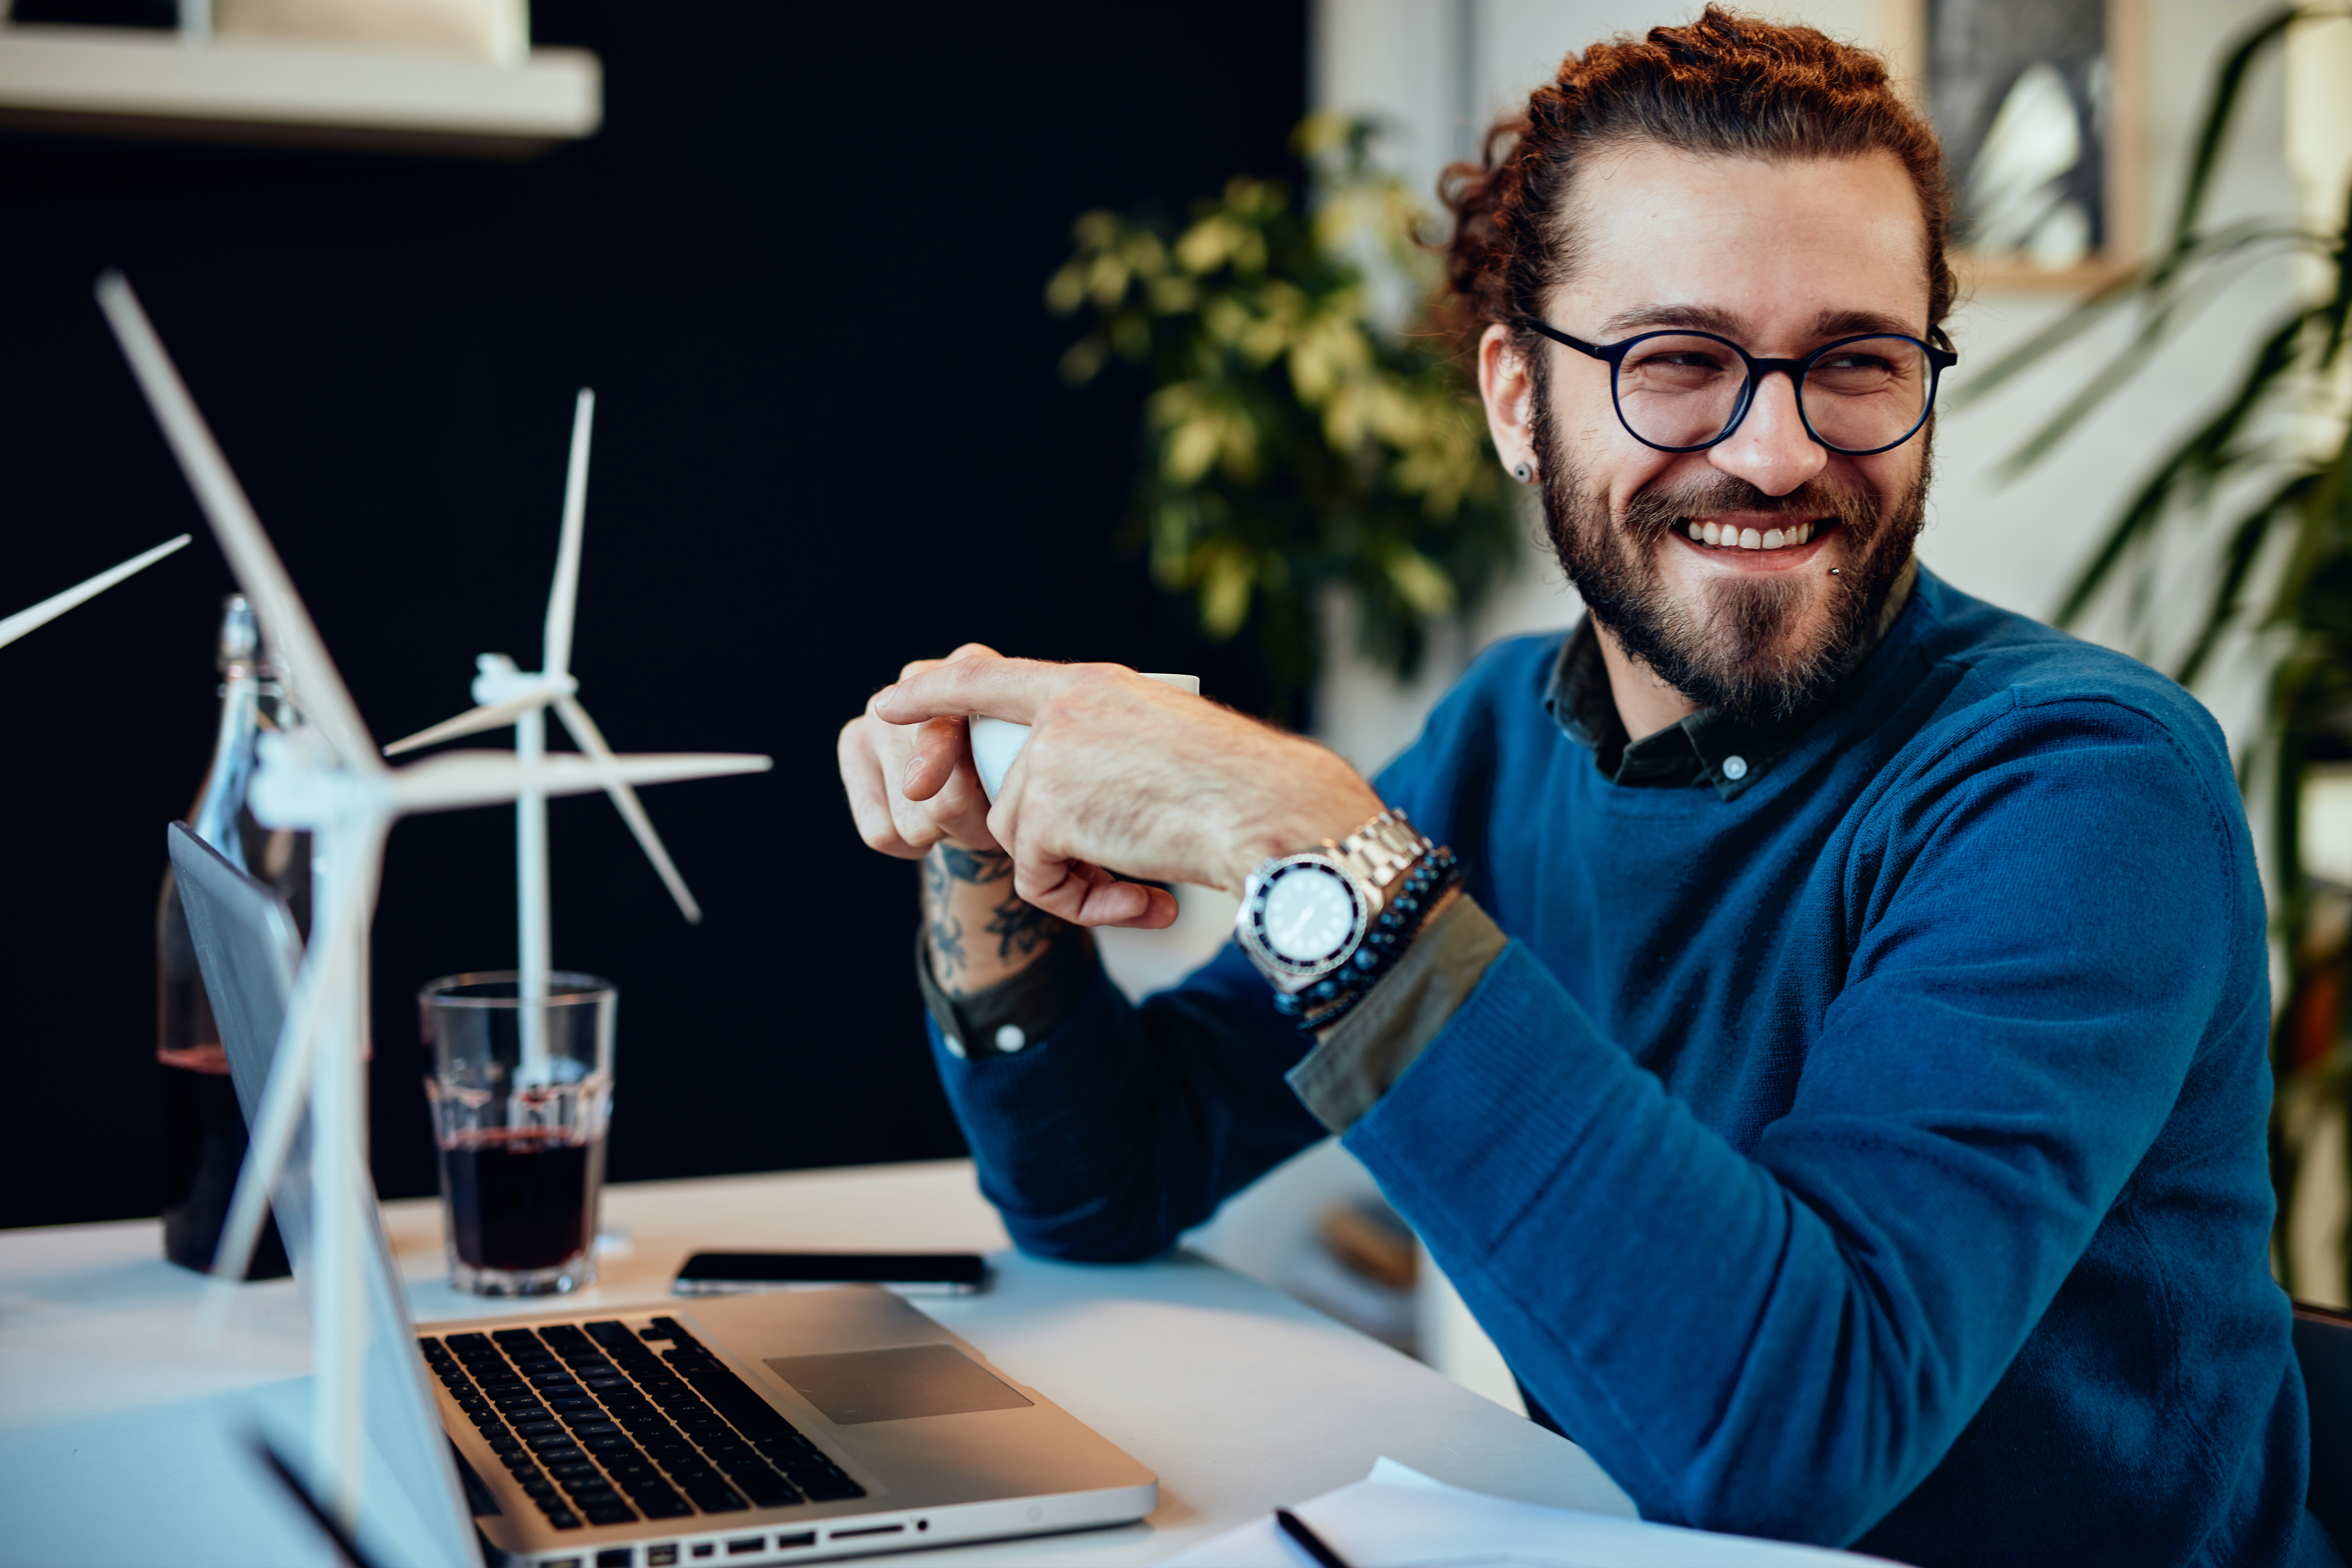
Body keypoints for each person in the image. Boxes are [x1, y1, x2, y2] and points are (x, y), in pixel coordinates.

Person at [836, 10, 2332, 1564]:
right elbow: (1103, 1181)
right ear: (1510, 397)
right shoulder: (1506, 737)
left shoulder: (2077, 788)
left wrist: (1303, 837)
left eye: (1857, 362)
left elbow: (1794, 1439)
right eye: (1676, 361)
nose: (1772, 449)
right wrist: (981, 834)